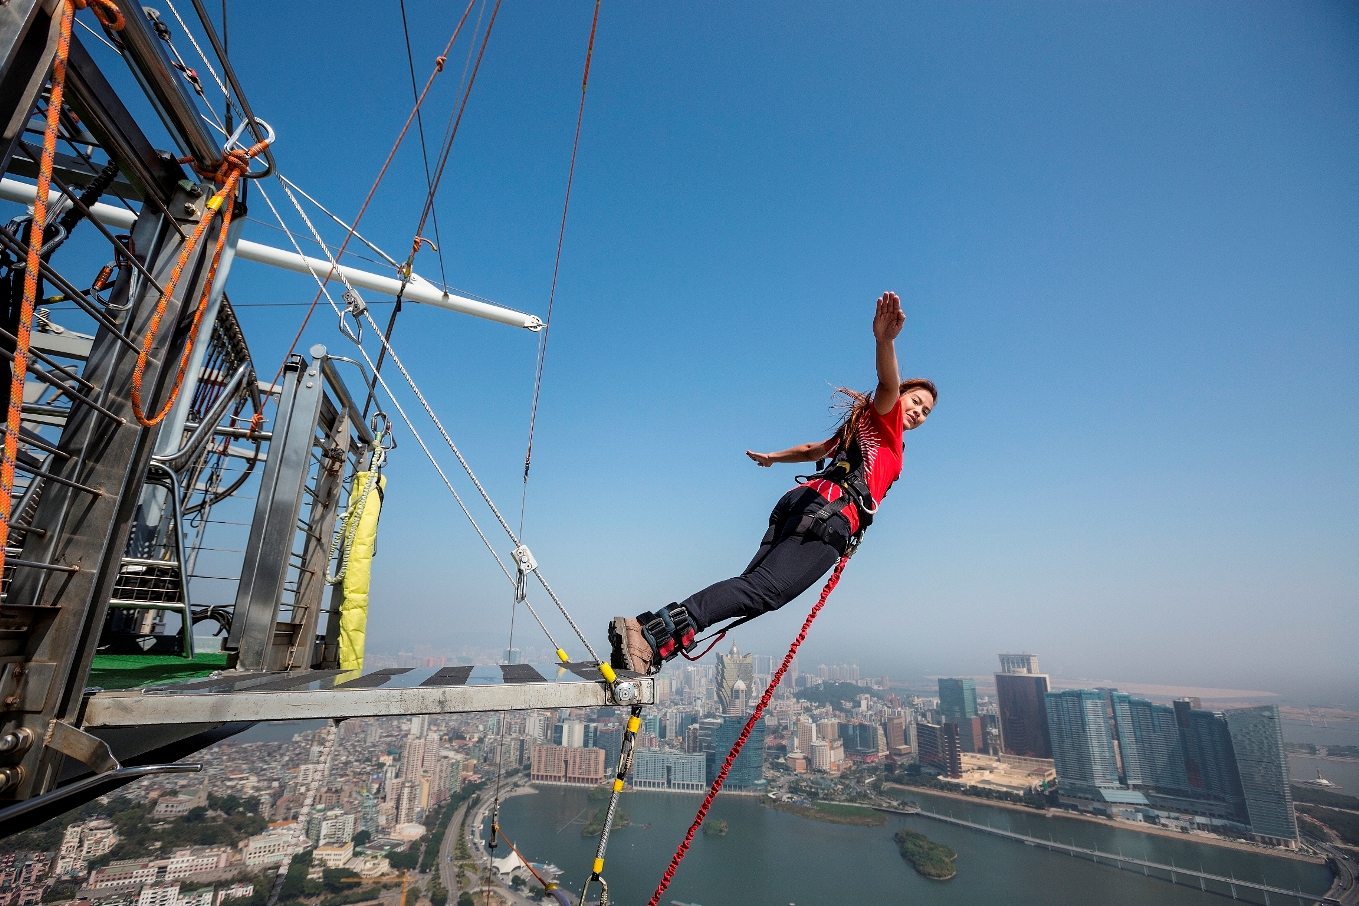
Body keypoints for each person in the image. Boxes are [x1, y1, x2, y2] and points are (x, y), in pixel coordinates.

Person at [609, 292, 936, 675]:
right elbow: (886, 385)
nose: (917, 411)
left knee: (752, 586)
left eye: (926, 412)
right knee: (764, 591)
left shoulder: (858, 427)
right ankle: (648, 634)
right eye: (914, 400)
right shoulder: (888, 428)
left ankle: (655, 640)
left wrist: (773, 458)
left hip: (802, 505)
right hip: (827, 518)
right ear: (901, 396)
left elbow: (814, 449)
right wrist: (885, 342)